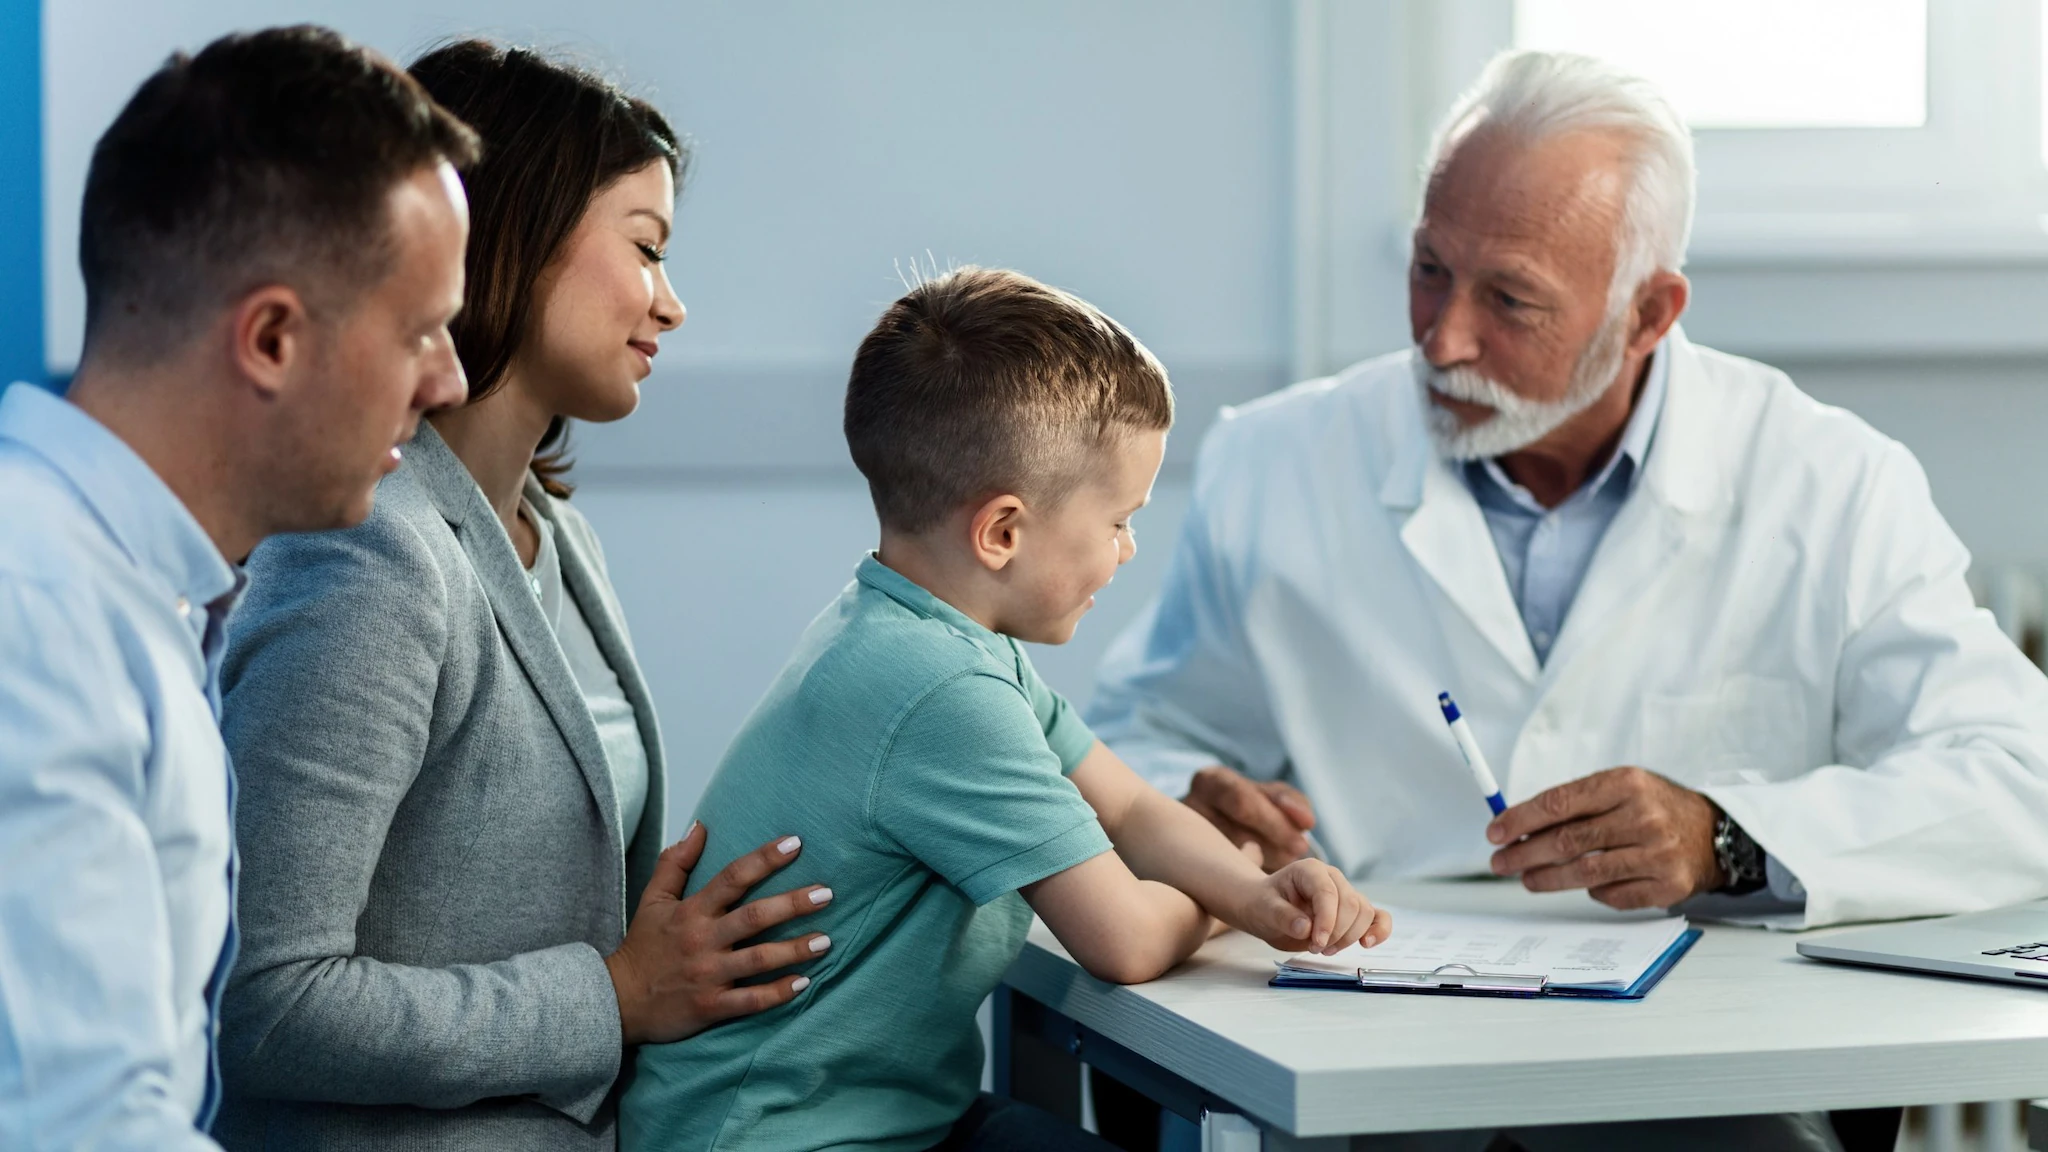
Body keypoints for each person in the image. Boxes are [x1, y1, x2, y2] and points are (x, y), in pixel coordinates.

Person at [1086, 49, 2048, 1151]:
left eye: (1509, 300)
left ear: (1648, 313)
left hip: (1697, 1074)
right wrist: (1185, 814)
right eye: (1426, 270)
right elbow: (1133, 742)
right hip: (1361, 1058)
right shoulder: (1274, 461)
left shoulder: (1829, 482)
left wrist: (1726, 837)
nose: (1441, 339)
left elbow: (2018, 777)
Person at [619, 266, 1387, 1152]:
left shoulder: (924, 635)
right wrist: (1234, 896)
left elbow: (1129, 805)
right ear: (1003, 532)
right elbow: (1127, 941)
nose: (1129, 549)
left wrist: (1253, 887)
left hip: (880, 1120)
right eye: (1119, 521)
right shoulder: (937, 691)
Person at [215, 43, 825, 1150]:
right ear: (512, 234)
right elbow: (267, 1004)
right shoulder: (368, 560)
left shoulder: (565, 546)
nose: (672, 305)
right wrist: (614, 995)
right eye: (645, 248)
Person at [0, 26, 474, 1150]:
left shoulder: (128, 590)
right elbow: (83, 1129)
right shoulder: (40, 609)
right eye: (420, 331)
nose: (446, 380)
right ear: (269, 338)